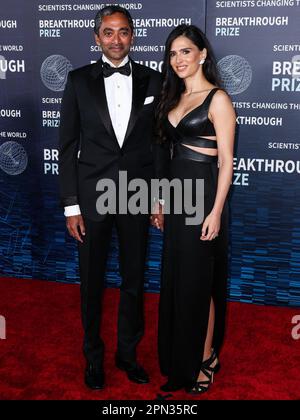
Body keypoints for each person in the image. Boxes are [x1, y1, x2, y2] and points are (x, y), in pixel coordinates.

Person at [59, 5, 161, 390]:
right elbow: (67, 146)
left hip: (137, 194)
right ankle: (93, 357)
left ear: (133, 35)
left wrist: (160, 198)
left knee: (134, 277)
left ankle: (128, 354)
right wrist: (71, 205)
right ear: (96, 37)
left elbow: (158, 146)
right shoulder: (78, 80)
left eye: (123, 32)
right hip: (91, 197)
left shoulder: (154, 81)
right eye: (108, 32)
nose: (116, 39)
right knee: (92, 281)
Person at [152, 24, 236, 394]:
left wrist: (216, 211)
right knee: (178, 281)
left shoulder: (217, 99)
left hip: (203, 198)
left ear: (202, 53)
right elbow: (165, 156)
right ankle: (181, 358)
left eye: (185, 51)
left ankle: (205, 359)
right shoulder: (172, 98)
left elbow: (227, 162)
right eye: (173, 53)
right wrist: (159, 201)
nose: (178, 59)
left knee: (200, 284)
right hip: (176, 196)